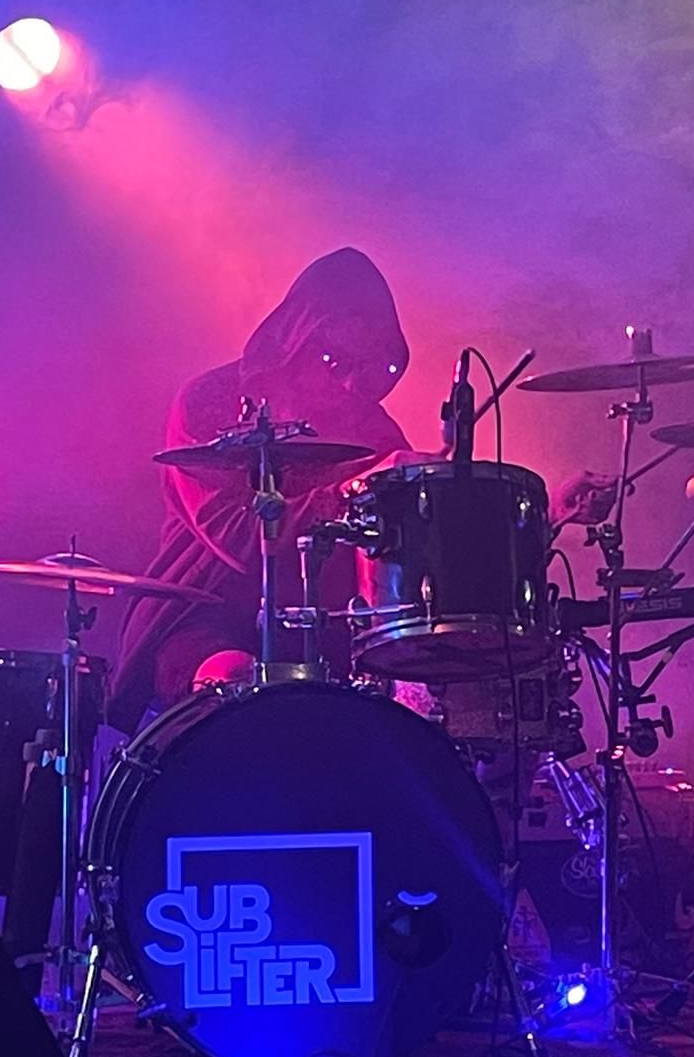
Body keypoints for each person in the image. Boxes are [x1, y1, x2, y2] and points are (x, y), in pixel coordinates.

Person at [109, 246, 618, 733]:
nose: (353, 383)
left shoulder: (370, 427)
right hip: (208, 611)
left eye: (373, 368)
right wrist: (358, 488)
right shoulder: (210, 401)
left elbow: (420, 548)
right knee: (240, 684)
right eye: (337, 362)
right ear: (296, 341)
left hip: (333, 627)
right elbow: (238, 539)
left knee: (425, 699)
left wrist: (545, 515)